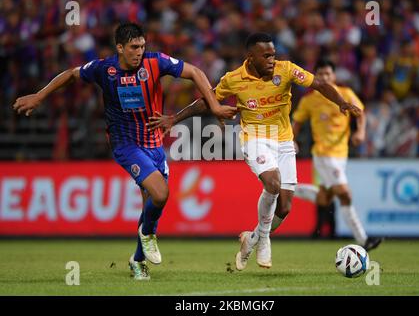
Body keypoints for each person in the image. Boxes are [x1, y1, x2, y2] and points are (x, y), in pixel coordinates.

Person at [12, 22, 237, 280]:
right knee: (161, 194)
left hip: (154, 144)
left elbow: (196, 72)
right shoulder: (103, 69)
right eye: (133, 47)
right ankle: (149, 233)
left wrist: (215, 106)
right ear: (120, 47)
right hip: (125, 144)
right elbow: (71, 73)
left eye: (142, 46)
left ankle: (138, 261)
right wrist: (40, 96)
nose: (139, 52)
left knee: (151, 203)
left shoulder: (156, 62)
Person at [148, 33, 361, 271]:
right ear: (251, 57)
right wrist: (174, 118)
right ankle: (265, 239)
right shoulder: (234, 79)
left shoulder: (286, 70)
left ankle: (252, 239)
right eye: (266, 55)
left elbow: (319, 85)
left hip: (283, 140)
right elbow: (206, 101)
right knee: (272, 182)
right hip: (254, 138)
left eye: (274, 54)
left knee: (285, 207)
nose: (272, 59)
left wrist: (341, 102)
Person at [291, 59, 382, 251]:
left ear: (334, 76)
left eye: (327, 74)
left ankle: (286, 189)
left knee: (324, 199)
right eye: (320, 74)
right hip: (324, 154)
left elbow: (360, 113)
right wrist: (292, 138)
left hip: (342, 155)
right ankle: (363, 239)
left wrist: (360, 132)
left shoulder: (346, 94)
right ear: (316, 77)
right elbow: (297, 121)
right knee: (345, 194)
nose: (324, 77)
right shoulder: (309, 100)